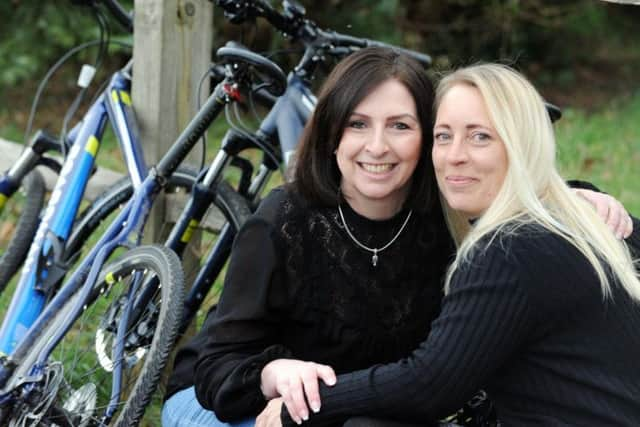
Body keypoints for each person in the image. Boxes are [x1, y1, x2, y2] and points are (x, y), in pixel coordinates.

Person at [161, 48, 632, 427]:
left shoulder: (450, 216)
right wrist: (273, 373)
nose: (378, 146)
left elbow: (516, 186)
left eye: (401, 127)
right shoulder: (284, 219)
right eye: (358, 124)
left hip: (359, 406)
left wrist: (581, 197)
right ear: (332, 137)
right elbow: (215, 368)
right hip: (234, 402)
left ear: (425, 141)